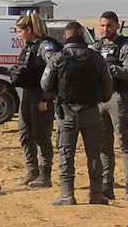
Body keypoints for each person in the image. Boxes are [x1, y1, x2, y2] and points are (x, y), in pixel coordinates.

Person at [43, 20, 113, 205]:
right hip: (91, 112)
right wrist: (100, 98)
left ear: (65, 37)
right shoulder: (96, 58)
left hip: (66, 113)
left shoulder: (57, 58)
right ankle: (96, 194)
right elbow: (108, 87)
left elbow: (46, 84)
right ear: (82, 35)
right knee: (94, 154)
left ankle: (68, 195)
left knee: (66, 154)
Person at [93, 12, 128, 200]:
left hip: (119, 97)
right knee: (104, 144)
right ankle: (107, 184)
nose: (105, 29)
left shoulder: (126, 46)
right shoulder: (96, 47)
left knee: (125, 142)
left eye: (109, 26)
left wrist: (109, 69)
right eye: (102, 26)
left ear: (117, 26)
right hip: (100, 99)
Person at [11, 13, 61, 190]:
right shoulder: (29, 47)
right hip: (28, 94)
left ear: (29, 30)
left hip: (41, 96)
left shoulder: (45, 46)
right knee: (25, 133)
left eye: (19, 31)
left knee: (41, 135)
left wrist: (46, 97)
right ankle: (32, 171)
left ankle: (44, 175)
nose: (19, 35)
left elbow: (55, 65)